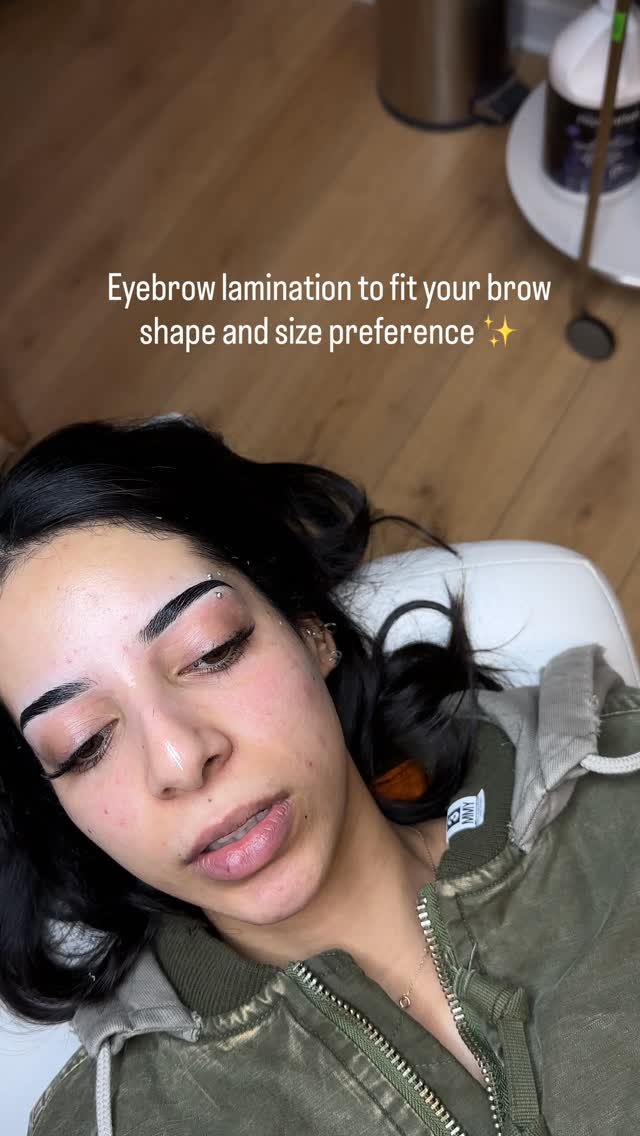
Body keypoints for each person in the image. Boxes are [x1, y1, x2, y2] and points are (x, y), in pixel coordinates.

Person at [0, 413, 638, 1136]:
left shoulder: (623, 782)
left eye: (210, 651)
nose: (180, 759)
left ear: (310, 628)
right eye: (85, 744)